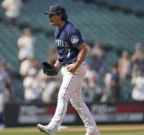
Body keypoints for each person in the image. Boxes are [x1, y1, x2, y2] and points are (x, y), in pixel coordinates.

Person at [37, 4, 100, 135]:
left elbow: (84, 49)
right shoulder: (57, 31)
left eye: (52, 14)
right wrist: (55, 67)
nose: (49, 17)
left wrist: (76, 65)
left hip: (75, 68)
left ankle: (53, 127)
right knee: (77, 102)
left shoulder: (70, 30)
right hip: (68, 68)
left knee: (63, 95)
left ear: (60, 15)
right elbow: (62, 53)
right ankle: (92, 129)